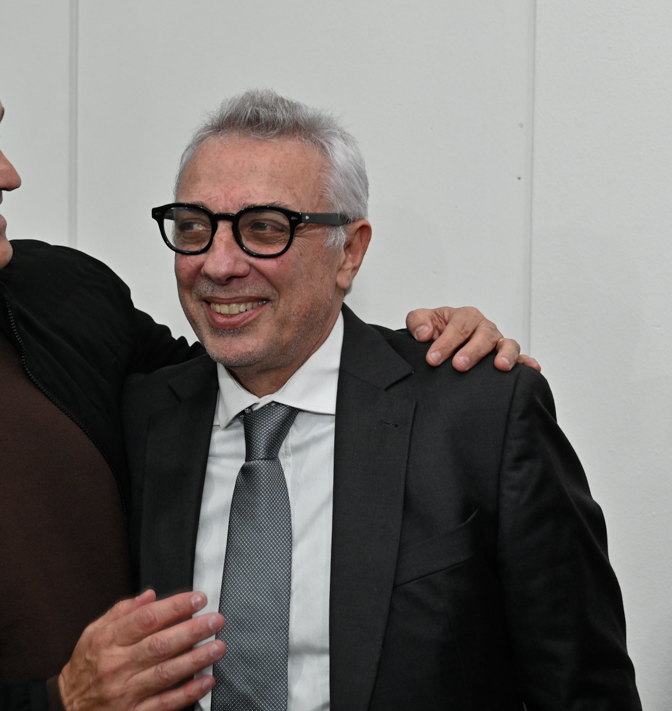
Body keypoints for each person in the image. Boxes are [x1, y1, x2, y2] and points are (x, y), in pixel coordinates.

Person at [0, 16, 532, 711]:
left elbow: (243, 378)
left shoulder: (65, 296)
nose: (6, 174)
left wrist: (419, 350)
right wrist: (61, 703)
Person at [123, 89, 641, 710]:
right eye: (194, 227)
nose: (219, 264)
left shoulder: (480, 415)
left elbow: (586, 689)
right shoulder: (139, 421)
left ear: (350, 252)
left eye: (264, 228)